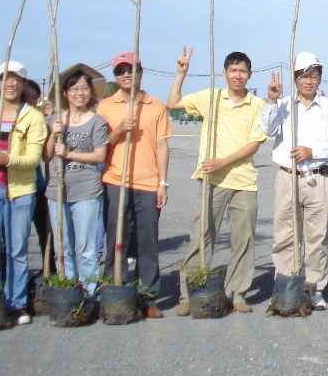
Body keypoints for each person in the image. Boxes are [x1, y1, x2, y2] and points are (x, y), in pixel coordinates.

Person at [168, 48, 268, 315]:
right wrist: (181, 73)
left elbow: (254, 144)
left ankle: (237, 293)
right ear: (224, 73)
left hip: (243, 181)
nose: (238, 75)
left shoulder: (257, 105)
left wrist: (223, 161)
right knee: (201, 236)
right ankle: (189, 294)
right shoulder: (210, 98)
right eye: (233, 70)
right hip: (212, 180)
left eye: (243, 71)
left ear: (249, 75)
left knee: (243, 239)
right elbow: (173, 102)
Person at [260, 52, 328, 310]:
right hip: (288, 177)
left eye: (313, 75)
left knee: (317, 237)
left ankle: (315, 287)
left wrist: (312, 152)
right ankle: (285, 283)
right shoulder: (284, 105)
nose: (308, 81)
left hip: (319, 179)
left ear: (320, 78)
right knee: (285, 234)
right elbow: (268, 130)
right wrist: (271, 101)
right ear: (295, 78)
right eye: (303, 76)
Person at [97, 52, 172, 318]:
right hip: (116, 181)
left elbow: (162, 146)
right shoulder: (106, 106)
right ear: (115, 75)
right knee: (117, 239)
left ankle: (148, 296)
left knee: (147, 242)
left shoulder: (156, 106)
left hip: (148, 183)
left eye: (132, 69)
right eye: (121, 70)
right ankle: (115, 289)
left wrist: (162, 182)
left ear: (141, 72)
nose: (127, 74)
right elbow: (99, 146)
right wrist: (118, 131)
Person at [43, 65, 109, 294]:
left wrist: (69, 154)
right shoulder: (54, 119)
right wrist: (53, 133)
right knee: (63, 247)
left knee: (87, 247)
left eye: (84, 88)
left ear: (90, 92)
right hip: (57, 190)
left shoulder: (97, 121)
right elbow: (47, 156)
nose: (79, 93)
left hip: (86, 191)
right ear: (65, 93)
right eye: (74, 89)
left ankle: (89, 291)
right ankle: (68, 288)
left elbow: (100, 155)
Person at [0, 61, 48, 325]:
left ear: (23, 84)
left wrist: (6, 159)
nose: (10, 84)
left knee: (17, 249)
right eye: (5, 79)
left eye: (16, 79)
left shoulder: (32, 117)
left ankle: (17, 303)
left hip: (21, 191)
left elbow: (33, 159)